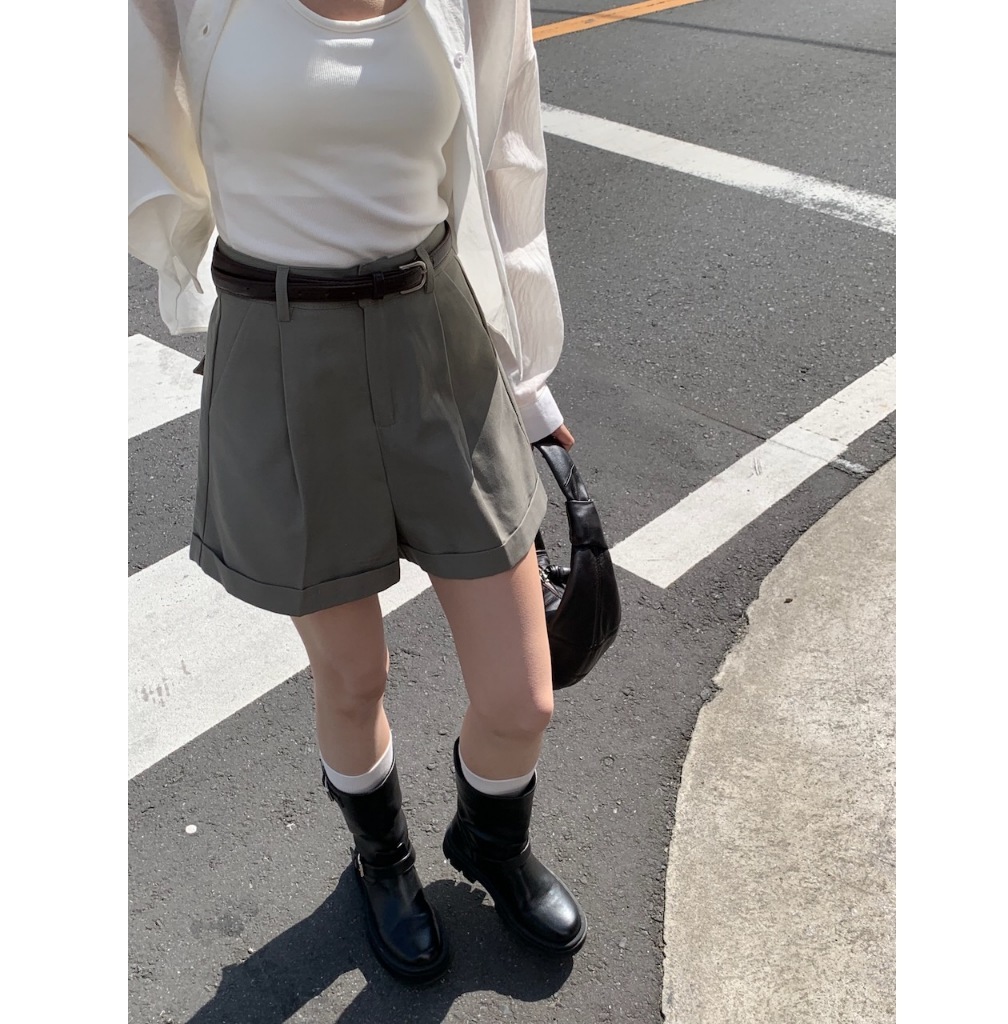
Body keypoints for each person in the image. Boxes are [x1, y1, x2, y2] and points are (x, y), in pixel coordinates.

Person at [129, 0, 586, 984]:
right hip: (280, 350)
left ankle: (490, 841)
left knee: (521, 696)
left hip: (439, 337)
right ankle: (382, 860)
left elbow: (505, 158)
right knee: (352, 677)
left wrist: (531, 384)